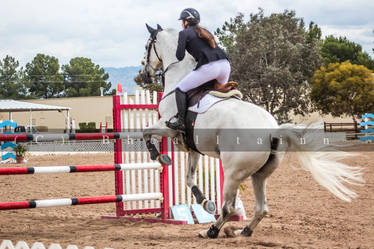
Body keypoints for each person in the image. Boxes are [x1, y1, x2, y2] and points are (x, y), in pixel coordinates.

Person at [166, 8, 231, 131]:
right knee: (220, 93)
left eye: (182, 21)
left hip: (210, 67)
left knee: (180, 89)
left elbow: (179, 56)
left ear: (186, 22)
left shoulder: (184, 33)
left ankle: (181, 122)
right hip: (225, 65)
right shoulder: (205, 31)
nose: (181, 24)